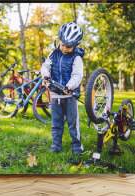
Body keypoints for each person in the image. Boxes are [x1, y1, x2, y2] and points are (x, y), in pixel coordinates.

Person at [41, 22, 85, 161]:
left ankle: (76, 146)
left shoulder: (76, 58)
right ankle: (56, 145)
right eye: (63, 44)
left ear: (75, 45)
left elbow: (77, 75)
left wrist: (70, 86)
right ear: (59, 40)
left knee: (73, 123)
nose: (65, 48)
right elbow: (45, 66)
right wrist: (46, 76)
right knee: (56, 123)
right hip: (55, 95)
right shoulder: (53, 53)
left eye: (69, 46)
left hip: (69, 96)